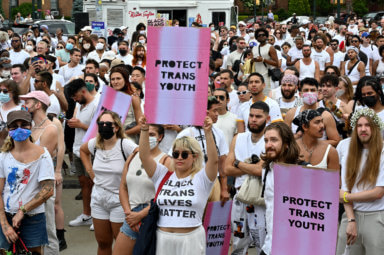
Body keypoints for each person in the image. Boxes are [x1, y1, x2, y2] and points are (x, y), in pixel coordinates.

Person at [138, 113, 218, 255]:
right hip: (163, 238)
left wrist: (208, 132)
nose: (179, 158)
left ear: (195, 157)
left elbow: (213, 161)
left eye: (185, 154)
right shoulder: (161, 175)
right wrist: (144, 130)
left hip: (191, 239)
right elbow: (144, 156)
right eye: (176, 154)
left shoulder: (202, 178)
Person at [80, 111, 138, 255]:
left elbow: (141, 157)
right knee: (103, 243)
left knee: (121, 245)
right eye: (101, 124)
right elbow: (83, 150)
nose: (104, 126)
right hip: (98, 198)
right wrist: (90, 172)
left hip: (119, 200)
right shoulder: (95, 143)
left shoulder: (125, 145)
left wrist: (128, 177)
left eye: (108, 124)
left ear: (116, 127)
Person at [0, 110, 54, 254]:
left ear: (31, 126)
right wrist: (5, 224)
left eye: (24, 125)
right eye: (14, 126)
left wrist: (23, 210)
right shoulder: (3, 156)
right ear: (8, 129)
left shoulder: (43, 155)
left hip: (33, 218)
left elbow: (48, 190)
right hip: (6, 215)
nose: (19, 129)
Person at [113, 124, 171, 255]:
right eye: (145, 133)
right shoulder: (132, 156)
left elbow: (163, 195)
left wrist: (140, 215)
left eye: (152, 135)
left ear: (160, 137)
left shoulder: (166, 161)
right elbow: (123, 187)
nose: (147, 137)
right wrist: (129, 215)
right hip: (131, 215)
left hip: (151, 216)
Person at [336, 108, 384, 255]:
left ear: (375, 128)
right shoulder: (344, 146)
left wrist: (345, 197)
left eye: (368, 125)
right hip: (350, 213)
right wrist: (351, 220)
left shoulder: (382, 150)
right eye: (359, 125)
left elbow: (378, 192)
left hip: (376, 216)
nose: (363, 129)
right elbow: (344, 186)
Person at [225, 101, 269, 254]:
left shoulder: (270, 140)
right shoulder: (238, 138)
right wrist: (249, 167)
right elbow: (226, 169)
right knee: (237, 243)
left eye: (258, 116)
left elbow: (259, 170)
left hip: (260, 200)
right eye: (251, 116)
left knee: (261, 243)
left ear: (267, 119)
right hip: (240, 197)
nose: (254, 119)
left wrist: (237, 163)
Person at [20, 91, 61, 254]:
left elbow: (41, 159)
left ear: (38, 105)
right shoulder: (31, 126)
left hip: (43, 184)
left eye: (28, 102)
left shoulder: (50, 128)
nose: (25, 105)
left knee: (48, 228)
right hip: (29, 183)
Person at [174, 97, 229, 204]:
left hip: (214, 182)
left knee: (212, 219)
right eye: (214, 111)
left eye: (218, 110)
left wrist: (224, 189)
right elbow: (175, 161)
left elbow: (222, 164)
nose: (217, 114)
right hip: (191, 182)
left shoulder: (219, 133)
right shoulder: (186, 133)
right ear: (206, 112)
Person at [260, 122, 300, 255]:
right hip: (269, 246)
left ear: (287, 143)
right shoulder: (266, 171)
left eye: (274, 140)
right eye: (266, 140)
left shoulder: (303, 173)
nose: (268, 145)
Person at [66, 79, 98, 228]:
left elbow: (99, 130)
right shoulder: (79, 105)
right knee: (84, 184)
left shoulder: (97, 104)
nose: (74, 100)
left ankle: (97, 216)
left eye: (75, 96)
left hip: (91, 150)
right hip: (77, 148)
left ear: (83, 91)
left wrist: (80, 125)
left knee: (94, 184)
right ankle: (86, 215)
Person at [284, 78, 340, 147]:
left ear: (318, 93)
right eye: (306, 90)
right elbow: (284, 139)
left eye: (312, 90)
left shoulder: (326, 116)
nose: (309, 93)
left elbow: (335, 140)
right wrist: (297, 137)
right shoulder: (291, 113)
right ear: (300, 94)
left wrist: (313, 144)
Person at [251, 28, 279, 94]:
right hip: (256, 76)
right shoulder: (254, 48)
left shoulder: (270, 47)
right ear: (256, 38)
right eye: (259, 35)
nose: (261, 36)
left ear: (266, 36)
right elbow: (252, 62)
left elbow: (276, 63)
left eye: (263, 35)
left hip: (267, 76)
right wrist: (252, 60)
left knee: (267, 96)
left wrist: (263, 60)